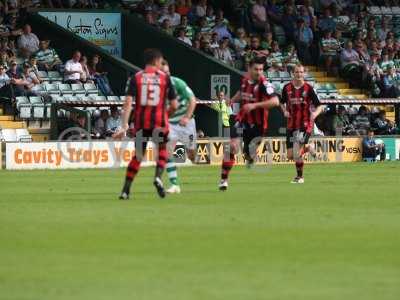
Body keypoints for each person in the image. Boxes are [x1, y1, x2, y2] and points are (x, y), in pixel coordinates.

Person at [113, 49, 178, 200]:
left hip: (141, 123)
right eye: (161, 62)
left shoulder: (136, 78)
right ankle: (158, 177)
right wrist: (165, 116)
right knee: (162, 149)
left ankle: (125, 190)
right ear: (156, 61)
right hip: (159, 122)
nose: (161, 64)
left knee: (138, 156)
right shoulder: (165, 78)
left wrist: (124, 126)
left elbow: (128, 103)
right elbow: (174, 105)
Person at [218, 57, 280, 191]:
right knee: (232, 146)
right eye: (256, 69)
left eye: (261, 69)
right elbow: (242, 92)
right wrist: (232, 100)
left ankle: (250, 158)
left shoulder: (264, 84)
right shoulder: (245, 80)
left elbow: (275, 102)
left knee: (249, 154)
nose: (259, 72)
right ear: (249, 69)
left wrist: (254, 105)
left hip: (258, 126)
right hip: (242, 120)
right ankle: (223, 180)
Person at [280, 64, 323, 184]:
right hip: (290, 125)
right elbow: (281, 102)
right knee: (290, 155)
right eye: (296, 72)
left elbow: (320, 105)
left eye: (301, 72)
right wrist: (284, 111)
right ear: (293, 73)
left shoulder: (308, 89)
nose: (299, 74)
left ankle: (300, 177)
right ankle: (308, 147)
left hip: (305, 124)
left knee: (296, 152)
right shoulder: (286, 88)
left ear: (304, 73)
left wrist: (315, 114)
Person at [160, 60, 197, 194]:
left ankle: (191, 155)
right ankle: (174, 184)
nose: (167, 75)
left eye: (168, 72)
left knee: (192, 154)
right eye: (164, 73)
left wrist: (187, 117)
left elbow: (193, 100)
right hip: (170, 123)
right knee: (167, 151)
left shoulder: (179, 83)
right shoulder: (156, 88)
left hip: (187, 123)